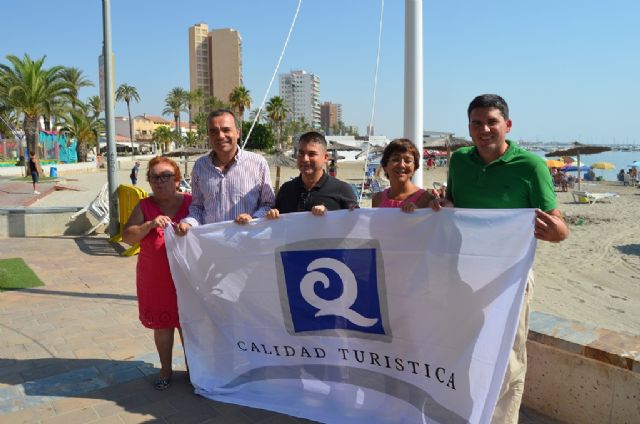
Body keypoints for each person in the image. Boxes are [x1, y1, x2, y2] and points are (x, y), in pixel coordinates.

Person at [432, 94, 569, 424]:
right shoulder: (461, 160)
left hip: (510, 280)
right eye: (477, 124)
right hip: (463, 276)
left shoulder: (531, 166)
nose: (484, 129)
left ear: (507, 125)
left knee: (508, 359)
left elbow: (559, 227)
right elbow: (453, 205)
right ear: (469, 128)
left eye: (492, 122)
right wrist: (442, 204)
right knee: (464, 351)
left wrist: (556, 232)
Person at [122, 157, 192, 391]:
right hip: (155, 278)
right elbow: (128, 236)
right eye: (154, 177)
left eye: (165, 176)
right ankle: (165, 369)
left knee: (189, 325)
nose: (160, 182)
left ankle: (195, 369)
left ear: (177, 179)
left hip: (188, 277)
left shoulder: (193, 203)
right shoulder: (144, 205)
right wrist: (150, 225)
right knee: (162, 326)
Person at [176, 109, 274, 235]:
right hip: (212, 244)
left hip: (248, 242)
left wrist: (254, 218)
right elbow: (198, 207)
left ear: (237, 133)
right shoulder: (200, 166)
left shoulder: (258, 163)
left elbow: (268, 204)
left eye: (226, 130)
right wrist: (188, 223)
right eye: (214, 131)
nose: (220, 136)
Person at [266, 131, 357, 219]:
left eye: (312, 154)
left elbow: (357, 221)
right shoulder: (286, 190)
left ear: (325, 158)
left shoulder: (342, 190)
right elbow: (276, 227)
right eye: (301, 153)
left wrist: (329, 215)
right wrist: (272, 215)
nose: (305, 159)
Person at [371, 138, 434, 212]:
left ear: (415, 167)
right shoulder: (377, 200)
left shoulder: (426, 200)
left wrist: (418, 213)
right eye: (395, 160)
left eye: (407, 161)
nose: (401, 165)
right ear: (385, 167)